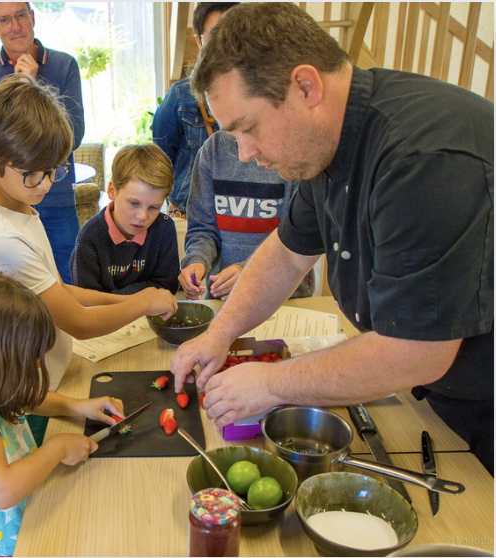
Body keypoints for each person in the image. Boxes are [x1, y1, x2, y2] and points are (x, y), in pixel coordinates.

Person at [171, 2, 493, 473]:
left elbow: (414, 353)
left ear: (305, 86)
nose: (245, 153)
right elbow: (285, 252)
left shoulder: (421, 158)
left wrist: (271, 383)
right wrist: (220, 333)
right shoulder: (324, 144)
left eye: (249, 128)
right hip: (441, 391)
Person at [0, 74, 178, 399]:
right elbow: (79, 322)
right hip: (26, 394)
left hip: (50, 379)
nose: (47, 184)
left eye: (54, 170)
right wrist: (142, 301)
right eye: (32, 173)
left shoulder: (20, 208)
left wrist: (132, 302)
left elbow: (61, 291)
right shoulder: (3, 239)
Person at [0, 271, 122, 557]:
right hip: (9, 546)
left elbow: (28, 398)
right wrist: (57, 448)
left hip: (33, 513)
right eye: (30, 356)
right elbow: (4, 490)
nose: (37, 362)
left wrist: (77, 406)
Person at [0, 1, 85, 284]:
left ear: (33, 16)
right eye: (4, 20)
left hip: (58, 201)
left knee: (68, 282)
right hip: (6, 205)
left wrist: (33, 85)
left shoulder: (64, 66)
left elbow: (74, 135)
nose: (15, 26)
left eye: (20, 15)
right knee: (14, 294)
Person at [178, 131, 315, 300]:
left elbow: (296, 241)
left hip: (286, 295)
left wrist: (248, 271)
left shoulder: (293, 151)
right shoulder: (212, 150)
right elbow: (202, 229)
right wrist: (197, 261)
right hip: (224, 296)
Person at [152, 2, 240, 218]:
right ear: (199, 40)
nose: (222, 43)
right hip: (188, 211)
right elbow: (162, 157)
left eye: (231, 32)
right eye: (213, 34)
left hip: (240, 210)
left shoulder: (260, 91)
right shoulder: (181, 94)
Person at [70, 144, 181, 295]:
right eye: (134, 204)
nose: (143, 216)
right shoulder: (89, 238)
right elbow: (87, 298)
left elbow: (168, 284)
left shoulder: (164, 228)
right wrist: (139, 298)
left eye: (154, 207)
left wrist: (115, 296)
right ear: (112, 191)